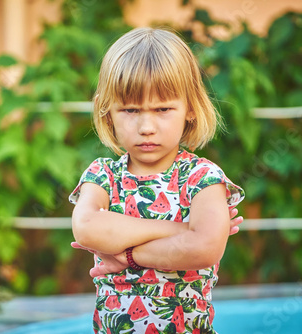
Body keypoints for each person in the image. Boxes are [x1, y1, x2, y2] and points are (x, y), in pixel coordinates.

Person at [68, 27, 245, 334]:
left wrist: (126, 256)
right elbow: (86, 228)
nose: (146, 126)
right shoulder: (103, 175)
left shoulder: (202, 178)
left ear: (189, 107)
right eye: (130, 110)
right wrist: (180, 231)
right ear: (107, 111)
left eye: (162, 109)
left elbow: (204, 248)